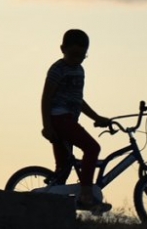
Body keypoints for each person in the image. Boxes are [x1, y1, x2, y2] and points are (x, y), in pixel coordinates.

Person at [41, 29, 112, 212]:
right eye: (74, 54)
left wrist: (96, 117)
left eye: (82, 56)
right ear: (63, 49)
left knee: (63, 170)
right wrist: (47, 126)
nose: (77, 59)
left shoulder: (79, 71)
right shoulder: (58, 69)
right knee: (92, 148)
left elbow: (78, 100)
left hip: (69, 120)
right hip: (59, 119)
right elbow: (46, 98)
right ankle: (86, 195)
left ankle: (51, 210)